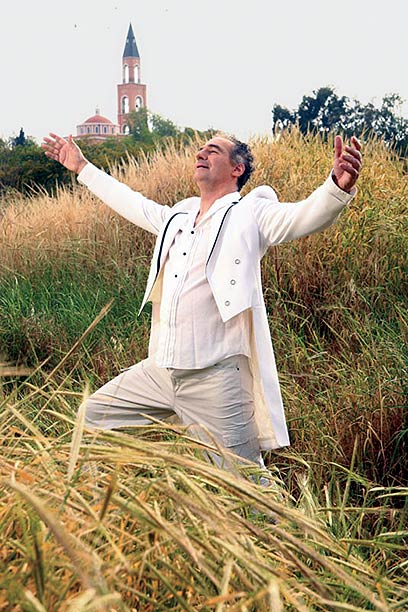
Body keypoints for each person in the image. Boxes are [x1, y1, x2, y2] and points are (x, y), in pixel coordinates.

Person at [42, 132, 362, 468]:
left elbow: (300, 217)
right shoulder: (179, 218)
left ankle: (268, 506)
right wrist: (82, 167)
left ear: (237, 169)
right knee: (90, 418)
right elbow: (132, 202)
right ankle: (95, 501)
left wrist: (335, 188)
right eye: (200, 149)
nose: (201, 153)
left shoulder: (250, 212)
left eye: (213, 150)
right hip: (160, 372)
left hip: (216, 381)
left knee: (245, 483)